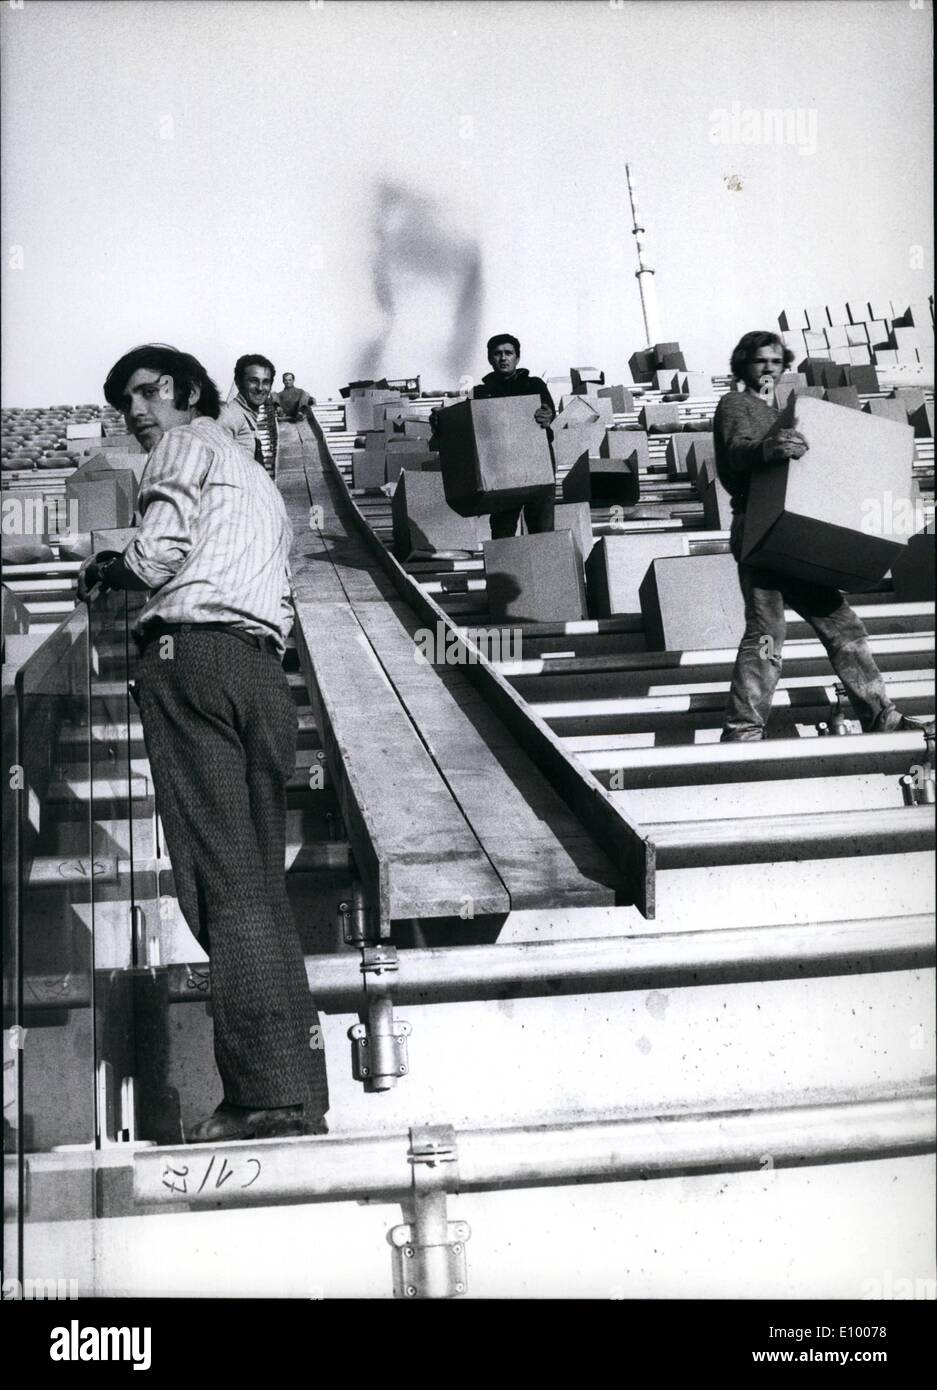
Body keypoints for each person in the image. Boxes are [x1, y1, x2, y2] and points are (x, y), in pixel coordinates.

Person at [77, 344, 329, 1142]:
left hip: (192, 660)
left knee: (220, 889)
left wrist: (105, 570)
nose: (138, 412)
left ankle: (261, 1097)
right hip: (261, 675)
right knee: (255, 885)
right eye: (126, 404)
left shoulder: (181, 447)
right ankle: (293, 1091)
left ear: (188, 392)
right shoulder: (254, 475)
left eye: (150, 392)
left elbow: (159, 553)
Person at [715, 330, 930, 742]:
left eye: (776, 362)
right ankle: (742, 730)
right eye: (760, 361)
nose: (769, 369)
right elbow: (736, 452)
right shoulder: (736, 404)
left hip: (794, 532)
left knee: (843, 627)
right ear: (743, 364)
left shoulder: (782, 410)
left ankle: (880, 716)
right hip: (759, 532)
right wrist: (766, 449)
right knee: (766, 635)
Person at [473, 334, 556, 539]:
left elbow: (549, 410)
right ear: (490, 358)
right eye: (497, 353)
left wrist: (547, 414)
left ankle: (543, 571)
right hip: (501, 468)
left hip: (537, 464)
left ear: (517, 358)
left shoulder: (534, 385)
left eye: (508, 353)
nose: (503, 358)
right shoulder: (482, 392)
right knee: (502, 532)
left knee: (542, 531)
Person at [219, 353, 279, 477]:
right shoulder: (231, 415)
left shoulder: (248, 415)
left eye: (266, 382)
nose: (260, 388)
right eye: (253, 381)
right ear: (238, 382)